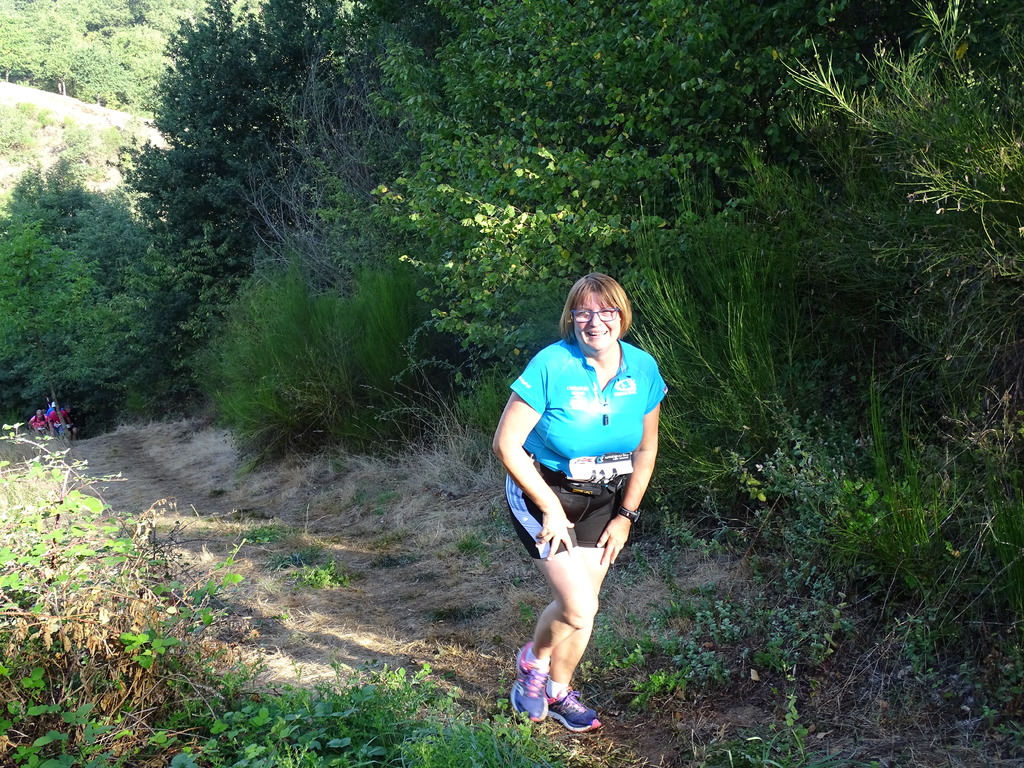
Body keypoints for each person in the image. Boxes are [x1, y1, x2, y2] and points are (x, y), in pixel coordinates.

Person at [492, 273, 667, 732]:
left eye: (606, 311)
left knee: (586, 605)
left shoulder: (643, 368)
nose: (595, 321)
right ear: (571, 318)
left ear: (622, 315)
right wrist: (549, 506)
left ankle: (558, 690)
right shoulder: (552, 364)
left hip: (604, 498)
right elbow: (506, 444)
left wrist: (626, 515)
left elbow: (646, 449)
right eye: (583, 312)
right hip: (542, 491)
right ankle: (533, 663)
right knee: (578, 606)